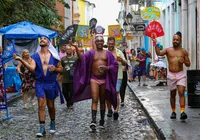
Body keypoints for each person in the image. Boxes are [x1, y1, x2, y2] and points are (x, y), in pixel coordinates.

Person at [13, 36, 63, 137]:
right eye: (41, 39)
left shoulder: (54, 55)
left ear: (48, 43)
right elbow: (32, 69)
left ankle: (52, 122)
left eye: (45, 39)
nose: (42, 39)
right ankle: (42, 128)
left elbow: (61, 69)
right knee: (41, 104)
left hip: (51, 83)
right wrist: (20, 60)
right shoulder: (35, 56)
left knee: (51, 106)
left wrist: (55, 69)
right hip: (40, 83)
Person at [72, 34, 118, 130]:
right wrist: (76, 48)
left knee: (102, 100)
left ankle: (101, 120)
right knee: (94, 99)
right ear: (95, 42)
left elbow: (115, 65)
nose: (100, 42)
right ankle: (93, 121)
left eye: (101, 41)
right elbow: (82, 59)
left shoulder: (108, 54)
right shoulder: (91, 53)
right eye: (98, 41)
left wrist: (107, 68)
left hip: (104, 79)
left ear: (103, 42)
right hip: (94, 79)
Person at [152, 32, 190, 120]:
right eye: (174, 39)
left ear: (180, 41)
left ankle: (182, 112)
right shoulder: (168, 50)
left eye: (177, 40)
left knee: (181, 92)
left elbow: (188, 64)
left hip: (180, 74)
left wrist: (183, 61)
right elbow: (159, 53)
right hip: (171, 75)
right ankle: (173, 111)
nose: (175, 41)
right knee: (173, 94)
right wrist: (155, 43)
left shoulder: (183, 51)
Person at [106, 37, 127, 120]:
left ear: (114, 43)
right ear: (107, 44)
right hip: (107, 76)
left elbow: (125, 63)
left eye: (112, 44)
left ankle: (116, 110)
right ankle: (109, 110)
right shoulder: (104, 52)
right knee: (108, 94)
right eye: (109, 44)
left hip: (118, 76)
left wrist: (121, 60)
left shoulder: (119, 52)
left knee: (116, 93)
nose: (111, 45)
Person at [61, 44, 77, 109]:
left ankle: (71, 103)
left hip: (72, 78)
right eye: (67, 50)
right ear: (66, 51)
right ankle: (68, 101)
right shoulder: (63, 59)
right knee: (64, 91)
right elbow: (62, 66)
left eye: (70, 49)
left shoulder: (75, 58)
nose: (69, 51)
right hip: (64, 78)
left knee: (72, 92)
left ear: (72, 51)